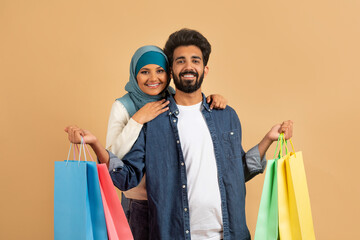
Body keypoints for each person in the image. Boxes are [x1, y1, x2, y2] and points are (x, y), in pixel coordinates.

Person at [66, 29, 293, 240]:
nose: (188, 66)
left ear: (205, 69)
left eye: (195, 60)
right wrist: (94, 144)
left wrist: (268, 140)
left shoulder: (226, 116)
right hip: (174, 234)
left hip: (229, 233)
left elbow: (237, 173)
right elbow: (126, 177)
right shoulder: (154, 121)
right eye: (180, 61)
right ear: (172, 71)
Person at [66, 45, 227, 240]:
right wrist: (138, 120)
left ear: (168, 74)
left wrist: (212, 99)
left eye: (160, 71)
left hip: (171, 202)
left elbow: (193, 119)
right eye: (144, 72)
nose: (153, 78)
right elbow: (115, 155)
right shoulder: (123, 106)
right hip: (139, 202)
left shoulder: (172, 100)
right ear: (135, 74)